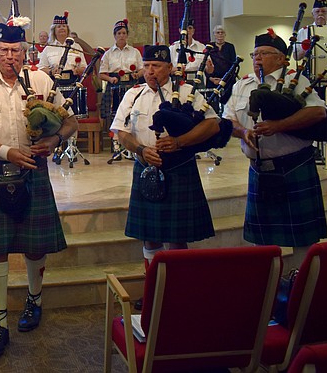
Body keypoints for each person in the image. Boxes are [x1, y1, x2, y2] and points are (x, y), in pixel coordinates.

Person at [0, 22, 77, 358]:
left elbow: (70, 120)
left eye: (16, 51)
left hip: (34, 174)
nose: (10, 57)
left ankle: (34, 300)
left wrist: (55, 139)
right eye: (4, 51)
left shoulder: (40, 81)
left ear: (24, 53)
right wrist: (6, 151)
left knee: (34, 247)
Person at [110, 45, 218, 273]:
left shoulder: (187, 92)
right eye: (147, 66)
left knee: (177, 238)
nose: (150, 71)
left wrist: (180, 142)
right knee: (149, 238)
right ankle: (153, 288)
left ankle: (176, 290)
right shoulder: (133, 94)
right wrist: (140, 150)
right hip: (145, 168)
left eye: (156, 66)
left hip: (178, 168)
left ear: (169, 67)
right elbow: (121, 131)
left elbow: (212, 124)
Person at [224, 31, 327, 264]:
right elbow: (228, 118)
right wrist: (243, 131)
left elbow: (318, 111)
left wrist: (278, 126)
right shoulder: (243, 85)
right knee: (261, 243)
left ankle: (302, 289)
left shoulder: (296, 80)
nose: (257, 58)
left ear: (281, 58)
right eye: (255, 53)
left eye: (264, 53)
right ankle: (268, 289)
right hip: (259, 170)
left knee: (303, 239)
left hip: (294, 167)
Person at [294, 0, 327, 161]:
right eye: (317, 11)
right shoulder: (304, 31)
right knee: (312, 112)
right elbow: (296, 56)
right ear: (312, 13)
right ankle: (314, 146)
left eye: (323, 11)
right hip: (311, 80)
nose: (320, 14)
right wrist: (304, 48)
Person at [99, 19, 144, 156]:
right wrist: (110, 79)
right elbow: (101, 74)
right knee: (114, 115)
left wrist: (138, 74)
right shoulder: (108, 54)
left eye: (124, 33)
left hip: (131, 85)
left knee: (131, 114)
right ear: (115, 35)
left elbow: (142, 69)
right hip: (114, 85)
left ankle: (131, 147)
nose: (122, 35)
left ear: (127, 35)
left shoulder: (134, 52)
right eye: (119, 33)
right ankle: (116, 145)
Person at [38, 12, 90, 79]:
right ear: (54, 30)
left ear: (67, 30)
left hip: (73, 81)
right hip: (54, 81)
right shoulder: (48, 48)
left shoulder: (76, 47)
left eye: (64, 26)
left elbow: (84, 67)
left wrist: (78, 70)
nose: (62, 28)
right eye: (59, 27)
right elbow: (41, 68)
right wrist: (51, 71)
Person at [207, 24, 238, 108]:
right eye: (218, 32)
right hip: (212, 80)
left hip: (228, 80)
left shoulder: (230, 47)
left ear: (225, 34)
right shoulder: (209, 46)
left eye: (222, 32)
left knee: (229, 103)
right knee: (212, 105)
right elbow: (206, 64)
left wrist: (224, 79)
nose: (220, 34)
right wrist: (211, 78)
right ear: (214, 34)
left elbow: (233, 64)